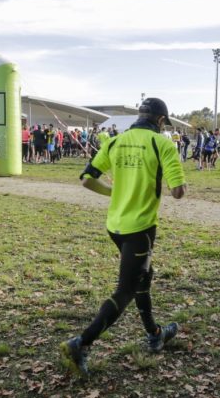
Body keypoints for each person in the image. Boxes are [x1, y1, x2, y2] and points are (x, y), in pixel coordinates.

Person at [62, 98, 187, 377]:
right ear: (161, 121)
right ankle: (82, 343)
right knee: (127, 289)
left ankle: (155, 333)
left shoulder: (115, 142)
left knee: (143, 276)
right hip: (140, 227)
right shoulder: (163, 144)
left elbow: (86, 179)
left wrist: (114, 193)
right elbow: (178, 192)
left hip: (115, 225)